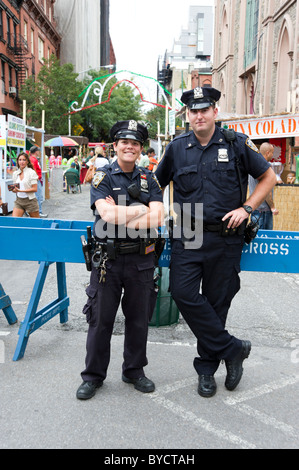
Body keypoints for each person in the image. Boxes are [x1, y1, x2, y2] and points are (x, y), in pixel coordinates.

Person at [155, 87, 277, 398]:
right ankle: (233, 349)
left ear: (214, 112)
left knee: (216, 303)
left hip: (226, 235)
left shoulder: (236, 143)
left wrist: (247, 208)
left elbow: (268, 178)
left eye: (204, 109)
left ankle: (207, 369)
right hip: (189, 232)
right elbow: (156, 185)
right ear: (188, 115)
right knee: (182, 293)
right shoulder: (177, 148)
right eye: (193, 111)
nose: (198, 115)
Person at [76, 120, 164, 400]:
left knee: (139, 320)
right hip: (108, 262)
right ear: (115, 146)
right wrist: (141, 211)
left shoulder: (149, 179)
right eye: (124, 142)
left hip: (141, 260)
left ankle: (134, 370)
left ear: (140, 149)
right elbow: (107, 215)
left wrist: (124, 214)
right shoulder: (103, 177)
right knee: (100, 321)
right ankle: (93, 376)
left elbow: (159, 217)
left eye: (135, 143)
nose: (130, 147)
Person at [248, 142, 279, 230]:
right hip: (263, 211)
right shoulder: (263, 166)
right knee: (266, 239)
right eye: (272, 152)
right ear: (267, 153)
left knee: (256, 239)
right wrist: (272, 207)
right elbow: (266, 191)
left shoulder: (254, 164)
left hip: (254, 209)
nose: (272, 155)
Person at [11, 152, 40, 218]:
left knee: (35, 223)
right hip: (19, 201)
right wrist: (14, 190)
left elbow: (35, 189)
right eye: (20, 160)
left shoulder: (31, 172)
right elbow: (15, 188)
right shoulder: (16, 173)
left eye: (24, 160)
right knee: (14, 221)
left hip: (30, 201)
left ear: (27, 161)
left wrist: (20, 190)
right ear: (18, 161)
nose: (22, 162)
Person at [29, 146, 47, 218]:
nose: (39, 152)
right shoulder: (33, 160)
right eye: (38, 151)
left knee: (37, 196)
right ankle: (39, 212)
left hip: (36, 179)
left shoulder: (32, 159)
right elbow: (34, 169)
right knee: (38, 197)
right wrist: (36, 178)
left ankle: (34, 211)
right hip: (36, 180)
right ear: (36, 151)